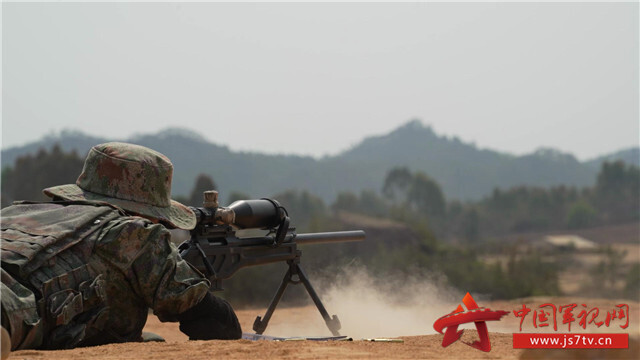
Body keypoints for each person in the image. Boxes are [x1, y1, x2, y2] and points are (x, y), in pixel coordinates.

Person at [0, 142, 242, 356]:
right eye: (161, 220)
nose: (159, 226)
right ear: (142, 211)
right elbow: (215, 322)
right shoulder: (133, 234)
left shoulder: (14, 212)